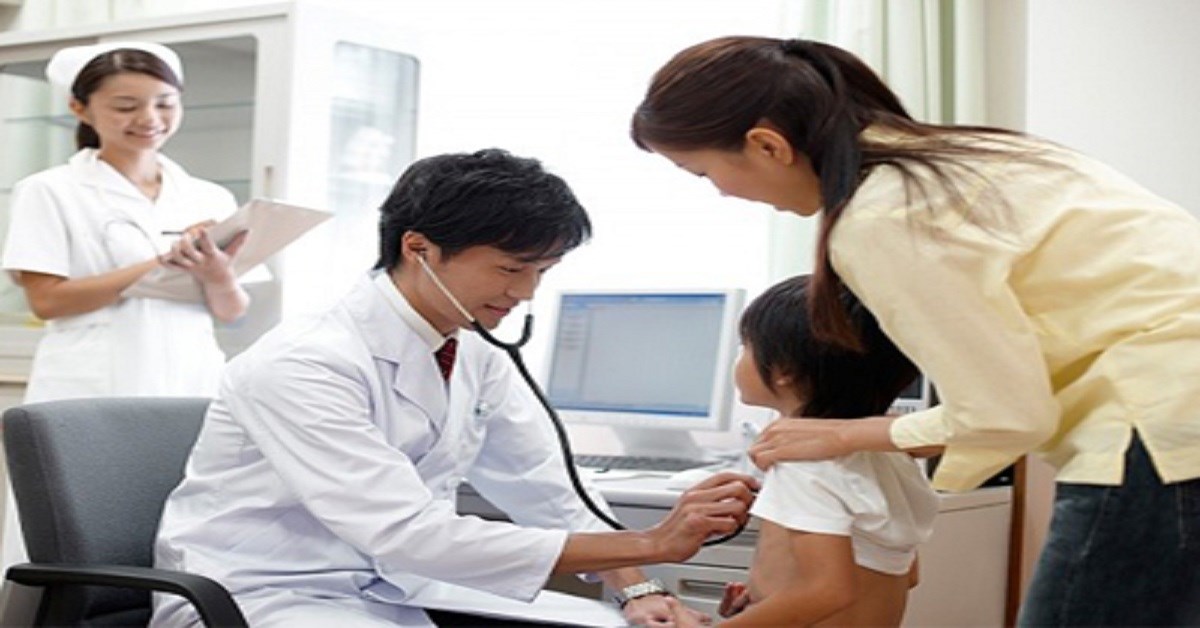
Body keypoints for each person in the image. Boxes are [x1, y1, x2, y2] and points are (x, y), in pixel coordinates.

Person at [630, 35, 1200, 626]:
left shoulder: (885, 214)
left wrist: (844, 436)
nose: (722, 193)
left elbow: (1008, 416)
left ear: (767, 145)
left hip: (1158, 423)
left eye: (703, 172)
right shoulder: (970, 156)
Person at [152, 148, 756, 627]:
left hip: (392, 585)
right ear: (419, 248)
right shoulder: (304, 363)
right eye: (510, 268)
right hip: (262, 593)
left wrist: (639, 589)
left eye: (542, 271)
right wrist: (651, 542)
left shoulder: (473, 347)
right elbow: (405, 532)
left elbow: (545, 491)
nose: (525, 293)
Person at [0, 42, 249, 569]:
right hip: (91, 383)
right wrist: (160, 262)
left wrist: (215, 272)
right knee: (74, 532)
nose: (149, 118)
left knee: (184, 525)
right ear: (80, 108)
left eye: (164, 103)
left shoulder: (208, 197)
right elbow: (47, 300)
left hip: (188, 377)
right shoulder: (49, 190)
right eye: (125, 105)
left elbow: (231, 310)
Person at [665, 275, 937, 626]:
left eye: (745, 346)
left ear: (785, 371)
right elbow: (904, 573)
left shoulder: (802, 463)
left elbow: (827, 592)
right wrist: (765, 601)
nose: (739, 356)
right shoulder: (891, 455)